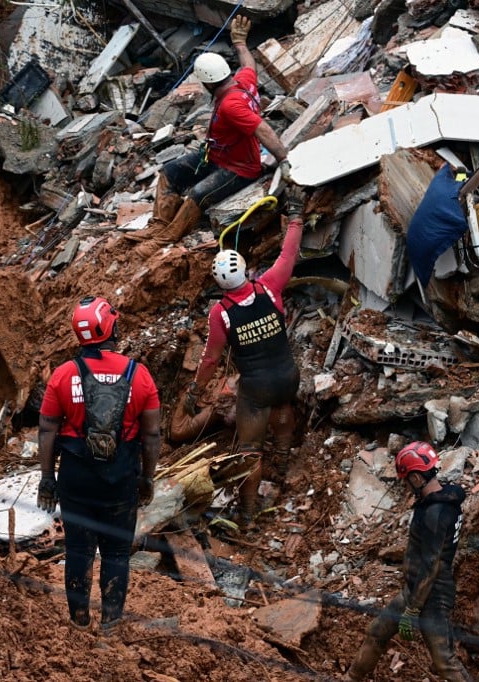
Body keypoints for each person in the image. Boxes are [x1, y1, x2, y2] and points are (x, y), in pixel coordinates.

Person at [35, 295, 161, 631]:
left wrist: (47, 478)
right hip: (120, 479)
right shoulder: (139, 375)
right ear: (110, 328)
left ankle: (79, 622)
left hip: (76, 478)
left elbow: (47, 429)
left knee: (78, 551)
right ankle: (110, 625)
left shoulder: (64, 374)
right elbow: (152, 435)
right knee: (116, 554)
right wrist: (147, 479)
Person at [126, 15, 291, 257]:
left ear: (208, 83)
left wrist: (283, 159)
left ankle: (164, 239)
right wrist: (240, 43)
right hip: (216, 156)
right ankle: (158, 225)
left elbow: (262, 129)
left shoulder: (231, 106)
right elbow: (248, 65)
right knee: (169, 172)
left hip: (239, 168)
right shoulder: (242, 82)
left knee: (197, 195)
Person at [183, 202, 303, 529]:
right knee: (283, 411)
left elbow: (211, 359)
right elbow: (288, 255)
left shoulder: (220, 313)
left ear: (219, 283)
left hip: (256, 388)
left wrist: (194, 391)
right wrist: (295, 219)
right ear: (246, 269)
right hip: (288, 375)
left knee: (250, 450)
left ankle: (248, 513)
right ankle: (282, 464)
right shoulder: (269, 286)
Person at [347, 442, 473, 682]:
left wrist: (413, 609)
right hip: (416, 590)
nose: (406, 486)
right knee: (377, 632)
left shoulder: (436, 513)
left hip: (432, 595)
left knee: (445, 662)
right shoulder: (441, 501)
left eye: (406, 480)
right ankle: (351, 678)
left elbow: (431, 564)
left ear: (415, 478)